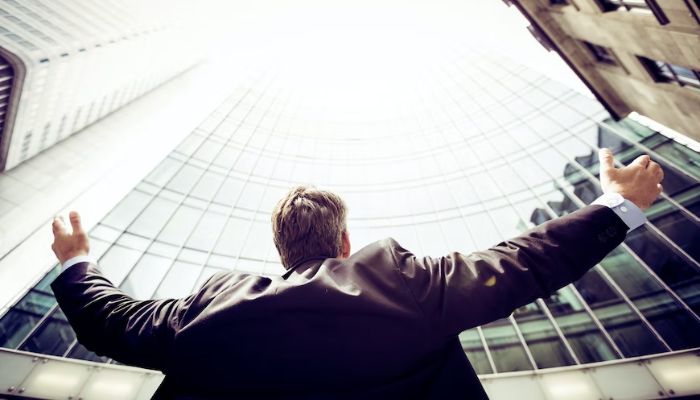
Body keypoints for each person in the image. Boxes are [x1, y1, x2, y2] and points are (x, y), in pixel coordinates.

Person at [50, 148, 663, 399]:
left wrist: (78, 260)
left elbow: (109, 323)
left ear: (281, 251)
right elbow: (520, 263)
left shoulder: (207, 311)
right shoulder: (397, 280)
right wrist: (616, 205)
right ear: (345, 242)